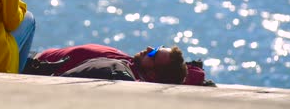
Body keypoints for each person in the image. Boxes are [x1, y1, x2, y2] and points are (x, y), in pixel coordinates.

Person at [25, 44, 187, 84]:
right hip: (37, 57)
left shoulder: (123, 75)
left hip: (32, 66)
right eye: (156, 47)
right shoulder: (131, 63)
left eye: (154, 54)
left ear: (152, 74)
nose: (149, 48)